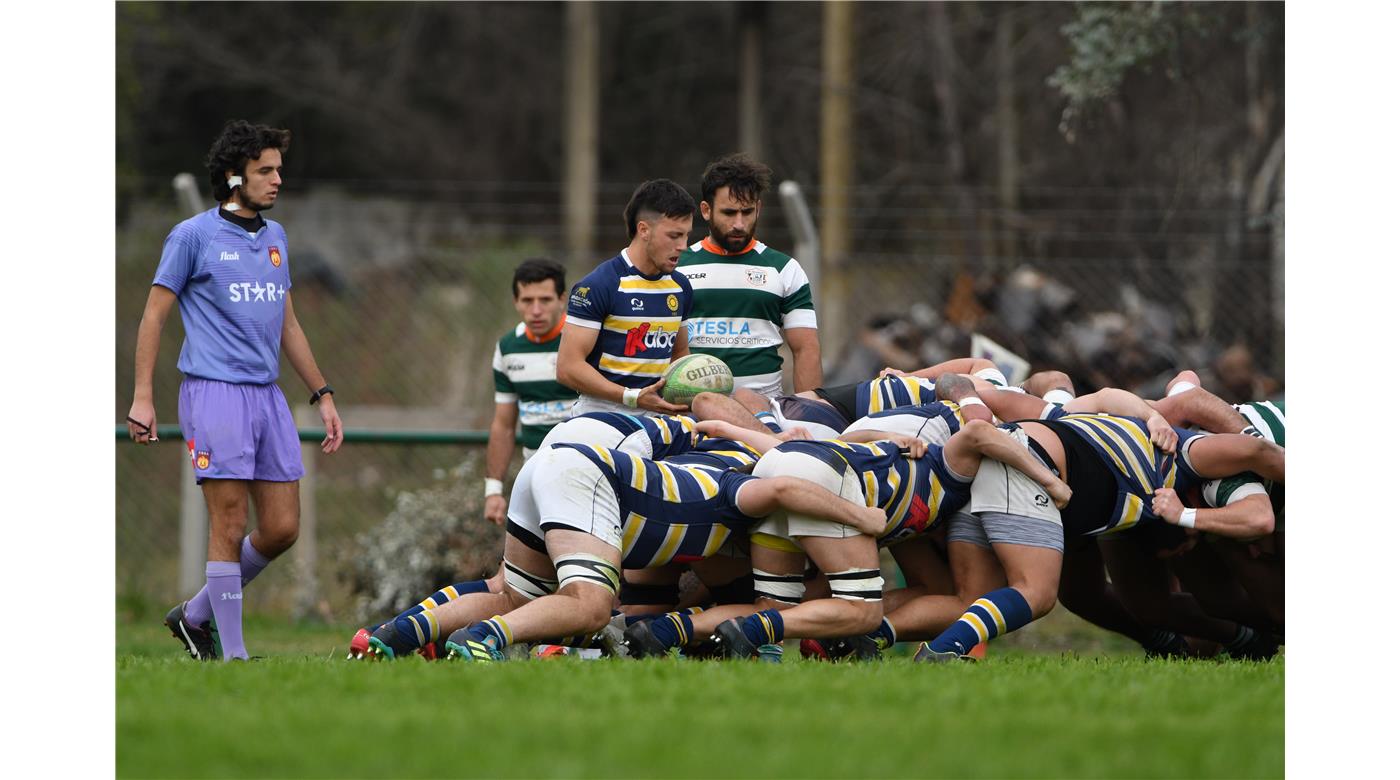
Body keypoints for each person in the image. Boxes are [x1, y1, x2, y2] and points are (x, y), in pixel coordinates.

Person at [126, 119, 343, 662]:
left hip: (267, 398)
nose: (276, 181)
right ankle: (233, 656)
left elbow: (287, 324)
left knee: (282, 528)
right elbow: (153, 317)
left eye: (278, 171)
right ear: (232, 176)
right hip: (214, 393)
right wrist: (143, 396)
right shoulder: (192, 236)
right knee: (228, 521)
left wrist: (323, 393)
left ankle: (195, 614)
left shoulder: (276, 238)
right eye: (264, 171)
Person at [678, 153, 822, 397]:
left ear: (758, 208)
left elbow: (806, 349)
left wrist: (809, 414)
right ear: (705, 210)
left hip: (765, 411)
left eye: (747, 212)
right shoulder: (677, 267)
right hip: (690, 411)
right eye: (729, 213)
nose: (739, 223)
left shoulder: (785, 269)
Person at [556, 179, 697, 417]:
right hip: (602, 413)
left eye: (686, 235)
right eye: (674, 236)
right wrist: (631, 397)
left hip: (659, 414)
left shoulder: (680, 286)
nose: (683, 246)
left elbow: (680, 353)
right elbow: (567, 368)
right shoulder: (600, 285)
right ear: (644, 230)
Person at [484, 258, 578, 526]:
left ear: (562, 299)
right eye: (527, 300)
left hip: (585, 473)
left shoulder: (584, 339)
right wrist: (493, 491)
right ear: (516, 302)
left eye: (545, 300)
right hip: (535, 477)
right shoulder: (507, 348)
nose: (536, 310)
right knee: (518, 567)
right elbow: (503, 425)